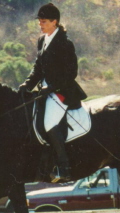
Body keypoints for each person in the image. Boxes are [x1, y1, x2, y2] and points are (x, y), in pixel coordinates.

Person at [18, 3, 87, 182]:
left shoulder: (65, 43)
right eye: (39, 21)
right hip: (45, 90)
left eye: (44, 21)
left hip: (62, 91)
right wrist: (27, 84)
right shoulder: (42, 40)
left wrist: (52, 87)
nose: (40, 24)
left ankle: (64, 168)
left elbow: (71, 73)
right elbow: (38, 68)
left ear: (54, 22)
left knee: (49, 124)